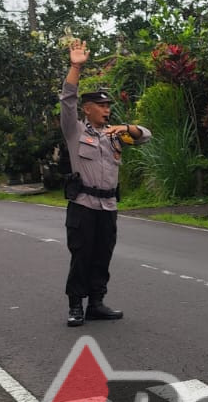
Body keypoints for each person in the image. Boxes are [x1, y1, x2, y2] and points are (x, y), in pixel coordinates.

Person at [60, 39, 153, 327]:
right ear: (87, 109)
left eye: (108, 105)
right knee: (82, 256)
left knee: (103, 256)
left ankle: (96, 303)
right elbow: (67, 100)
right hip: (83, 205)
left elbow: (145, 135)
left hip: (109, 205)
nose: (106, 110)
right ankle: (76, 305)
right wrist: (76, 67)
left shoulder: (115, 135)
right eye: (100, 106)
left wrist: (126, 127)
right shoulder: (75, 131)